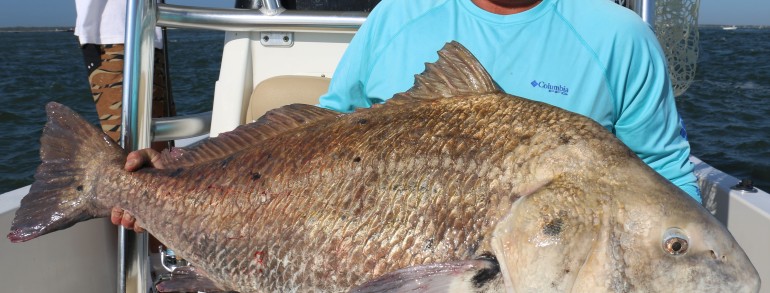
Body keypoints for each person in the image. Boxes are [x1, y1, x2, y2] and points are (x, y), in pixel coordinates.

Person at [114, 0, 701, 231]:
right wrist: (177, 176)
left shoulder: (619, 36)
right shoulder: (398, 15)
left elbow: (666, 175)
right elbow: (318, 136)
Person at [75, 0, 176, 231]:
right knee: (131, 176)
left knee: (161, 166)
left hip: (148, 29)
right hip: (116, 32)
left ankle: (161, 249)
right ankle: (145, 251)